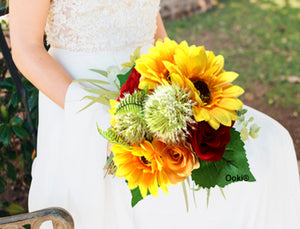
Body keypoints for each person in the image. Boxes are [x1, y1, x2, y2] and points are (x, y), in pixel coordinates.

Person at [8, 0, 300, 228]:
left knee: (274, 143)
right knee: (162, 194)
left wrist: (183, 80)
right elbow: (25, 48)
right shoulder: (86, 106)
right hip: (79, 98)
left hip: (152, 85)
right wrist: (94, 114)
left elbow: (148, 20)